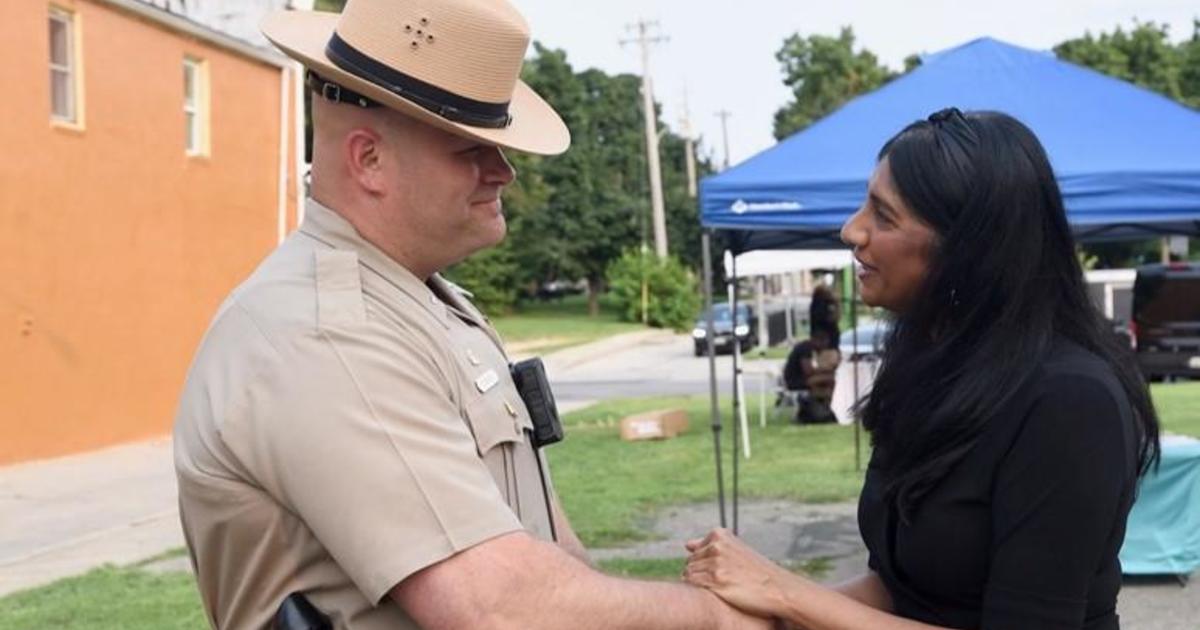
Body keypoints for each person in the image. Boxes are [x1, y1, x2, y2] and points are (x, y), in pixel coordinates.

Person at [173, 1, 770, 629]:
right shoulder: (324, 333)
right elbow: (496, 608)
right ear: (368, 160)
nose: (504, 171)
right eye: (471, 149)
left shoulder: (423, 303)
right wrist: (720, 619)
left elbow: (553, 560)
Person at [683, 108, 1160, 629]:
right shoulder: (936, 368)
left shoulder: (1071, 403)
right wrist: (762, 614)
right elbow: (905, 589)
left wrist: (783, 592)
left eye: (884, 216)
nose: (851, 230)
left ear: (970, 249)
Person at [780, 328, 839, 423]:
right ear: (817, 340)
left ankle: (824, 403)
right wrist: (827, 370)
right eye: (824, 343)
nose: (825, 347)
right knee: (830, 379)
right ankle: (825, 402)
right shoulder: (805, 348)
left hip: (803, 379)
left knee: (827, 381)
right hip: (795, 381)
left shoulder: (808, 348)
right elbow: (808, 371)